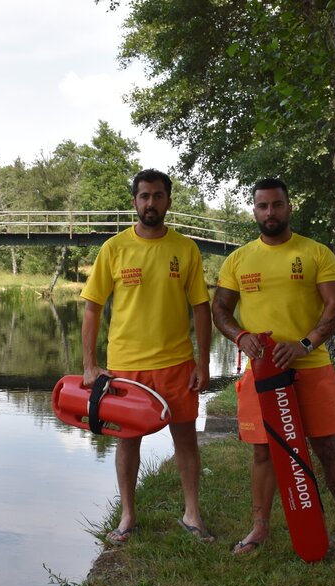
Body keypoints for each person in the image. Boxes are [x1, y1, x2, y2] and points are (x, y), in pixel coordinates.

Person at [212, 178, 335, 565]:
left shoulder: (316, 253)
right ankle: (260, 527)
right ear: (254, 211)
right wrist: (240, 335)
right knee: (263, 452)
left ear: (288, 207)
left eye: (277, 205)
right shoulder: (239, 260)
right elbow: (221, 310)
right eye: (262, 206)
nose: (270, 213)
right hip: (262, 375)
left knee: (327, 449)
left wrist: (305, 344)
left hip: (310, 369)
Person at [81, 168, 214, 546]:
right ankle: (127, 516)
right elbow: (92, 307)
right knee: (128, 441)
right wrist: (90, 365)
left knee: (186, 437)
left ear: (168, 201)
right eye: (144, 196)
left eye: (158, 195)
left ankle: (192, 514)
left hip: (176, 363)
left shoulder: (185, 249)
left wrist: (203, 363)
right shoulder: (114, 248)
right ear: (135, 201)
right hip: (126, 365)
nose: (150, 202)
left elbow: (201, 308)